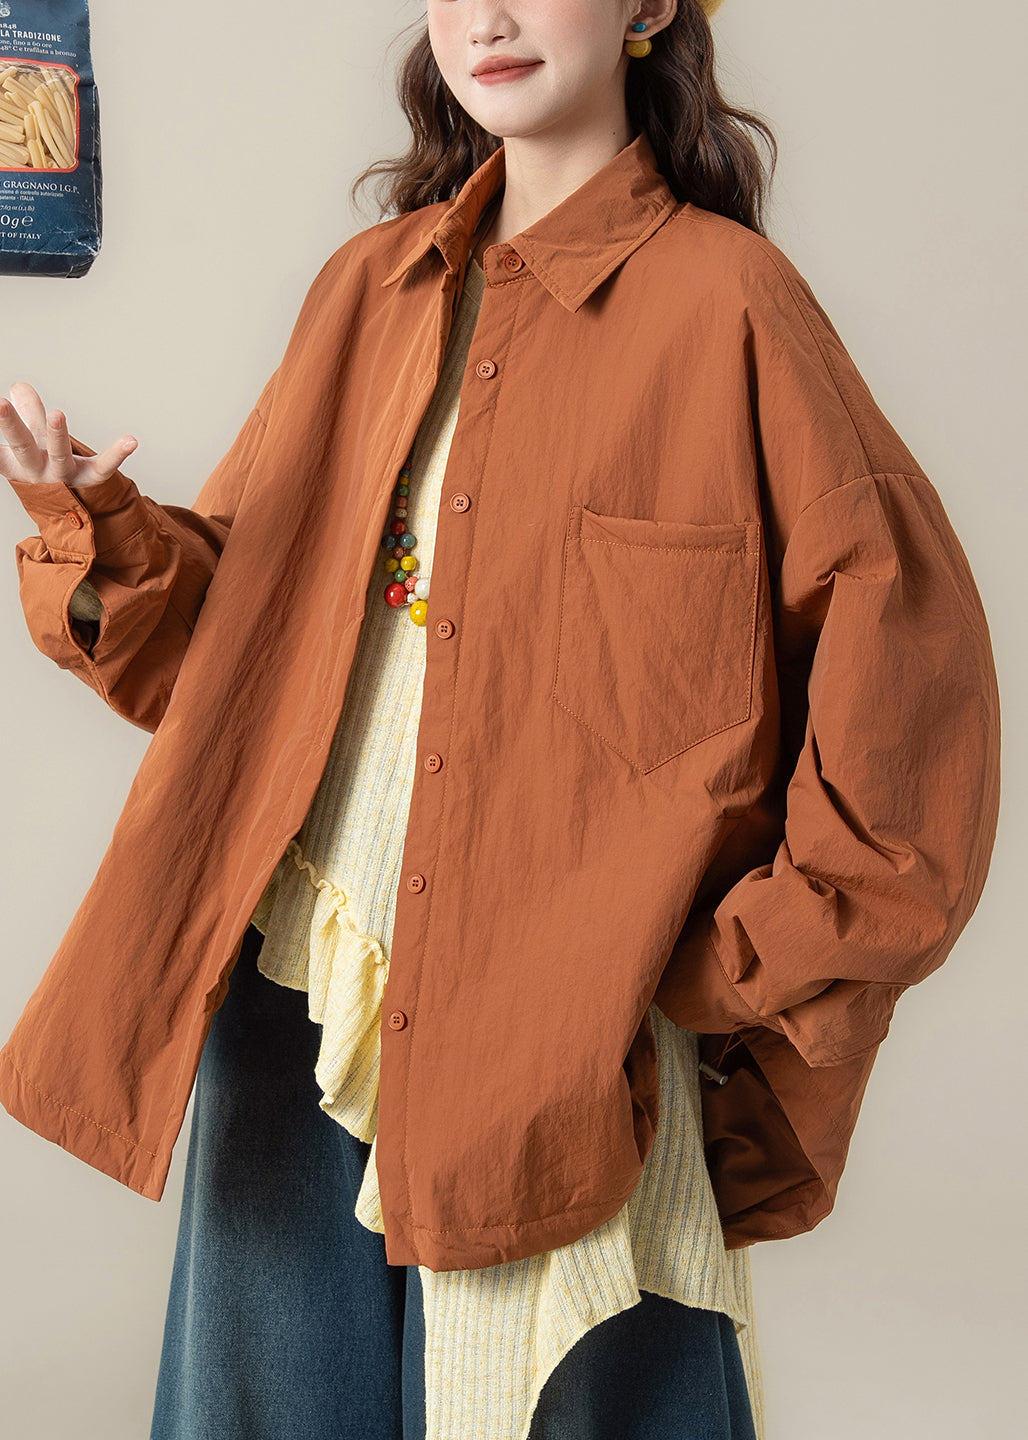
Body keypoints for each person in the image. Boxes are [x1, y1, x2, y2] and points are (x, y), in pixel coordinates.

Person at [0, 3, 1001, 1439]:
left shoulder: (732, 305)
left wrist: (726, 966)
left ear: (649, 6)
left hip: (561, 1042)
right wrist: (95, 526)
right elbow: (237, 661)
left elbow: (912, 704)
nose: (487, 16)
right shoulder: (369, 289)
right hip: (297, 1000)